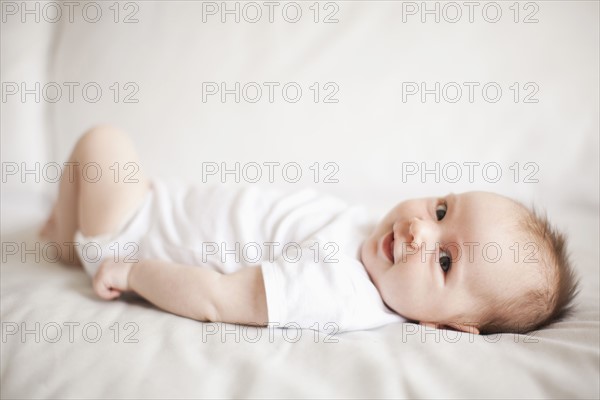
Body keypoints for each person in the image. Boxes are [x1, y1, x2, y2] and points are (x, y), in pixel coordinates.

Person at [40, 125, 579, 335]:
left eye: (445, 262)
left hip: (132, 234)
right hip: (161, 204)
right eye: (441, 211)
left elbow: (217, 298)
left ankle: (68, 241)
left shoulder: (335, 290)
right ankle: (67, 233)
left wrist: (134, 270)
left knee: (103, 145)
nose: (419, 231)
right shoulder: (376, 245)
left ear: (451, 326)